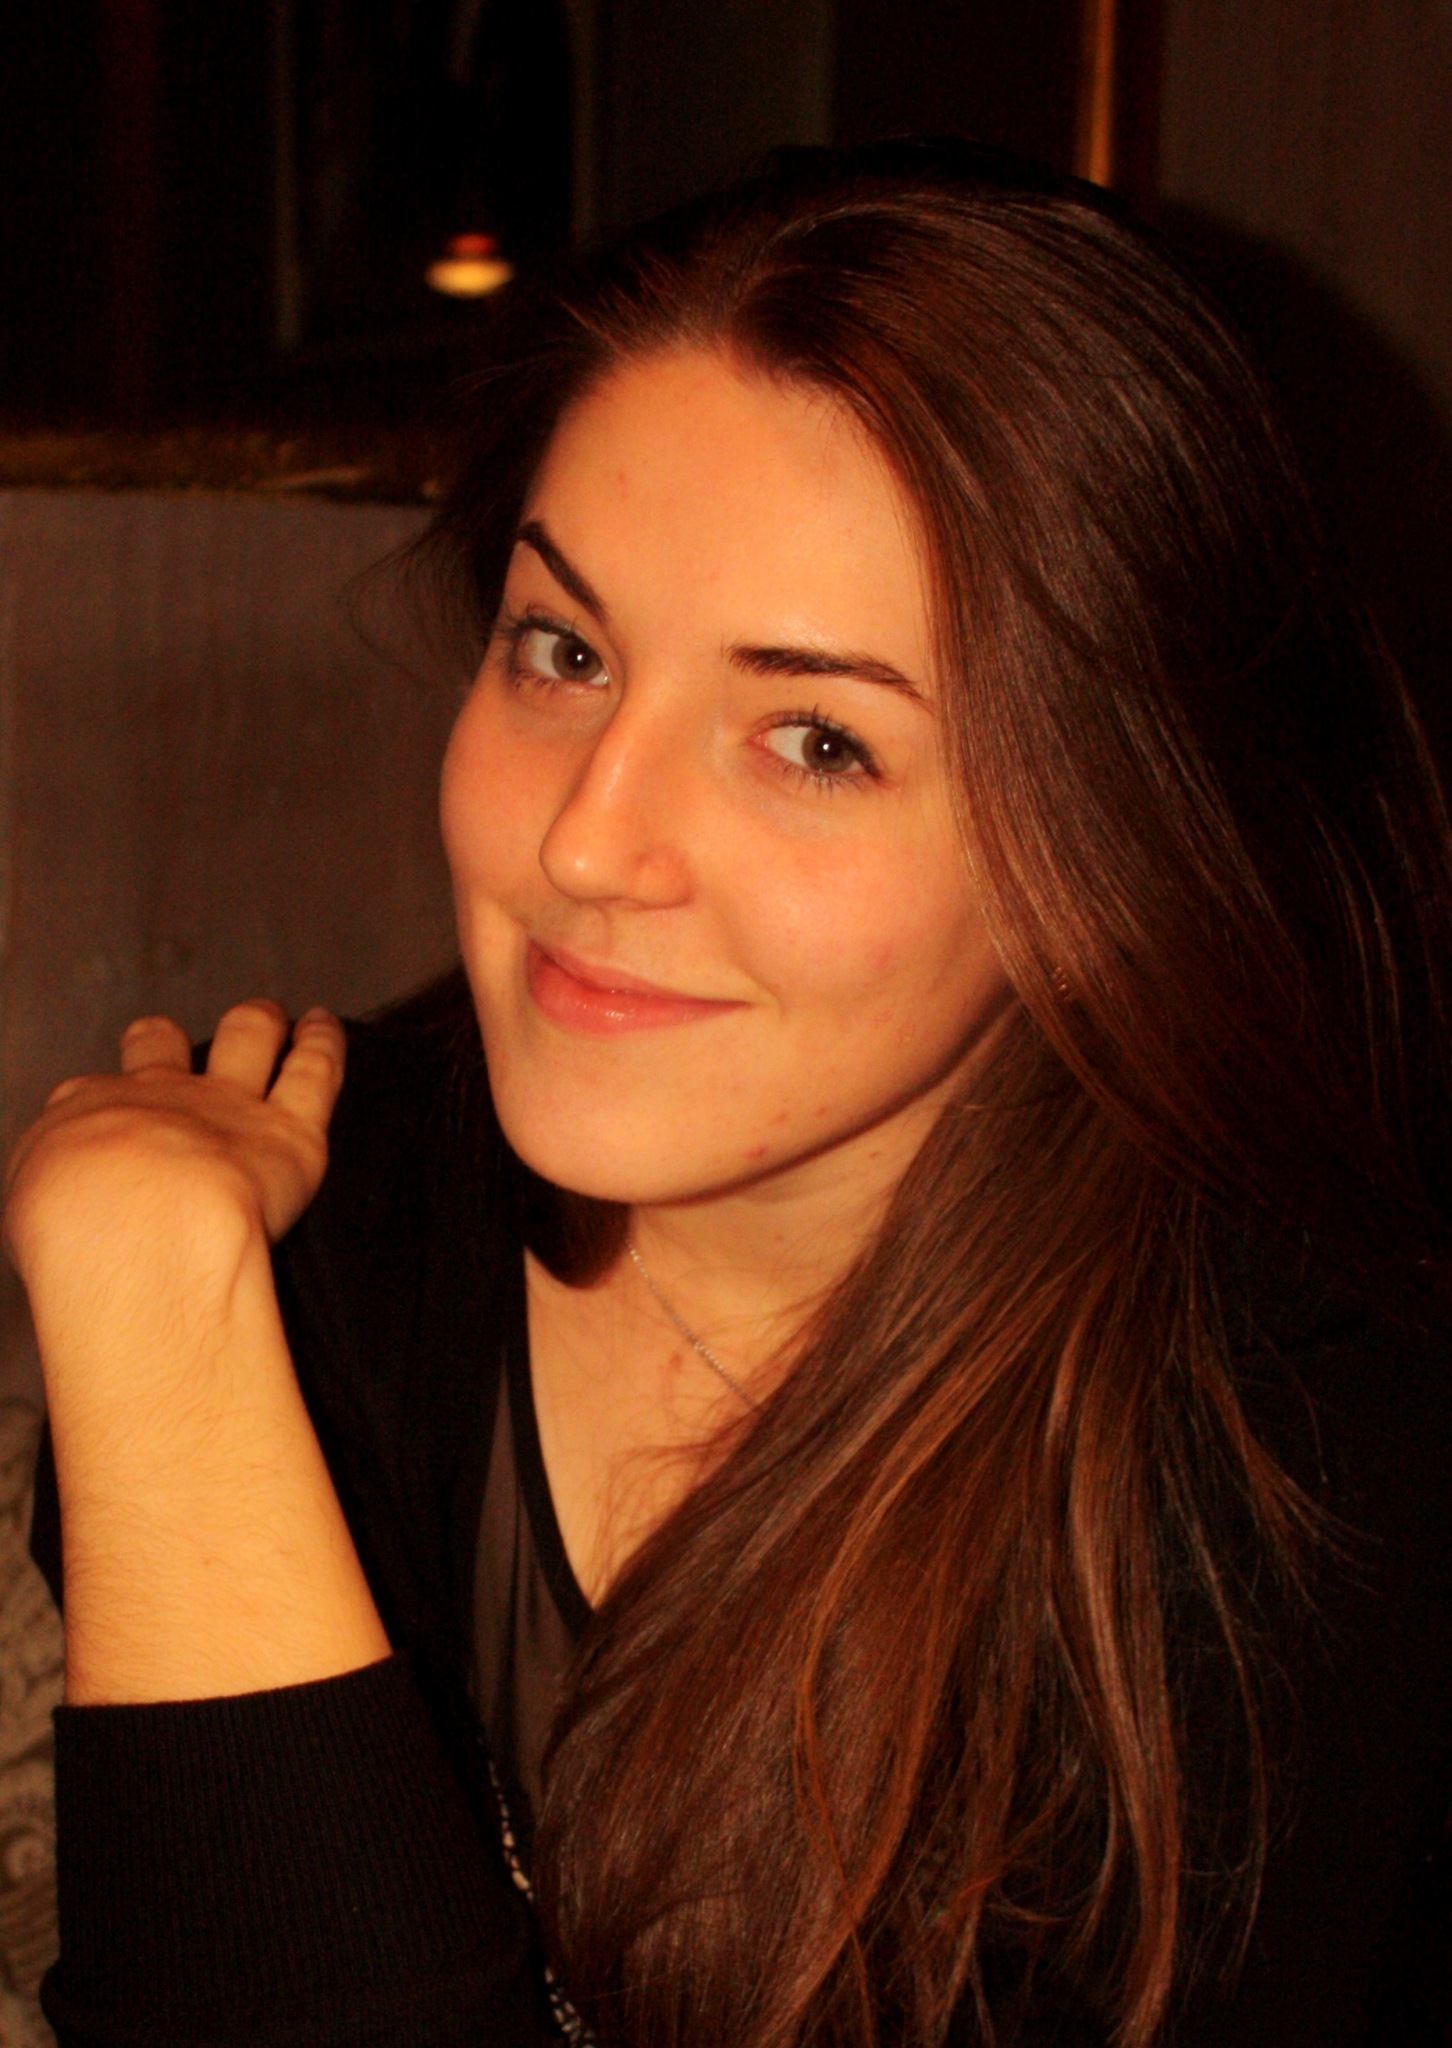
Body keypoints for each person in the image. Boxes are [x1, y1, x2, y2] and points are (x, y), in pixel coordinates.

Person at [7, 141, 1452, 2048]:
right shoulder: (304, 1253)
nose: (587, 841)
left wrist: (159, 1344)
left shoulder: (1305, 1474)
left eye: (816, 741)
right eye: (563, 651)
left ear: (1117, 846)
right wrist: (159, 1322)